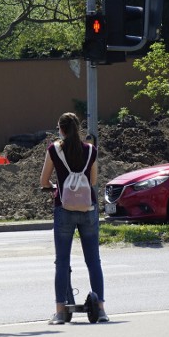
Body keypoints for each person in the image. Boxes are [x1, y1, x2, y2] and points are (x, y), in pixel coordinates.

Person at [39, 112, 108, 324]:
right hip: (88, 209)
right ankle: (101, 309)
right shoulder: (90, 150)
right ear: (78, 128)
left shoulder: (54, 150)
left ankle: (60, 312)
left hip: (64, 208)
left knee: (62, 261)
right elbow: (94, 179)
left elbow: (44, 181)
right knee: (93, 260)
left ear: (61, 129)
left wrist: (53, 187)